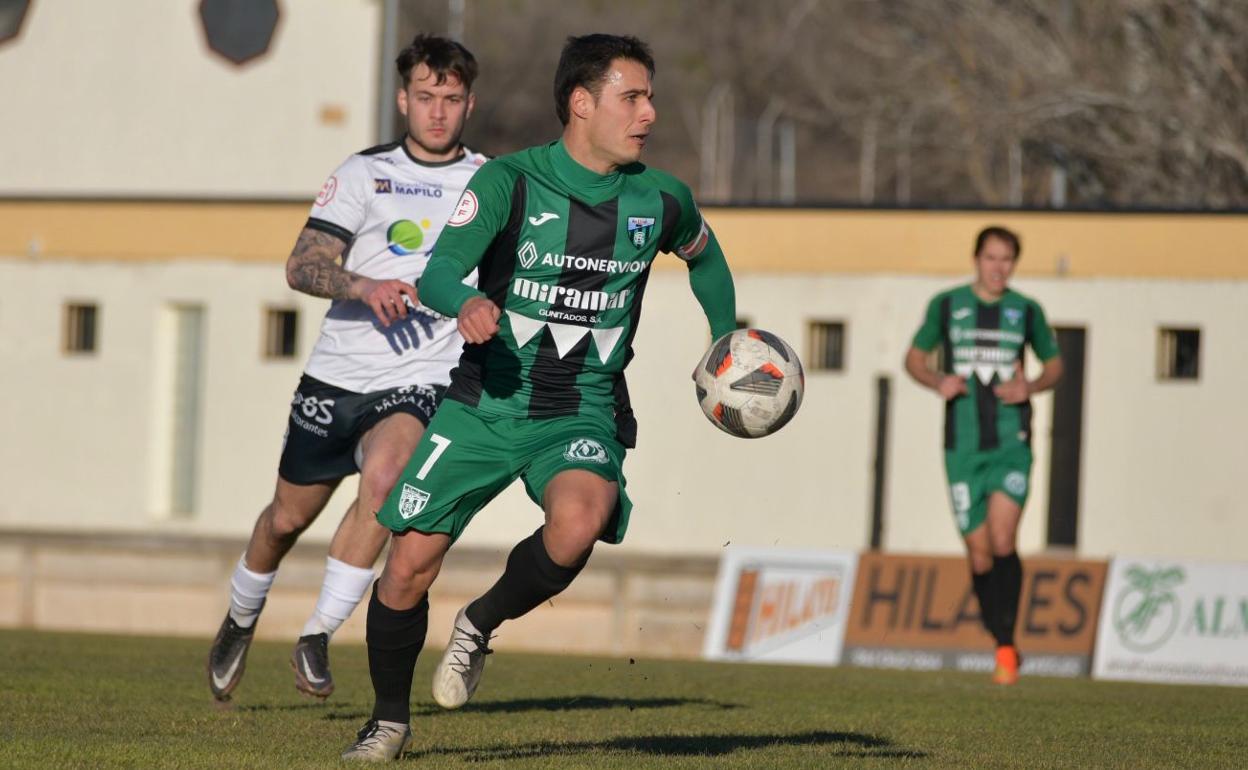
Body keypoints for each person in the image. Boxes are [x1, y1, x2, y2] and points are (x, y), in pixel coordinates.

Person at [340, 33, 737, 760]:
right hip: (487, 402)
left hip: (582, 406)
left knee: (583, 518)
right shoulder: (510, 183)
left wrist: (724, 337)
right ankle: (389, 720)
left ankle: (479, 624)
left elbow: (706, 258)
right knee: (406, 566)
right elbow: (439, 271)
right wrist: (464, 302)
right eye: (633, 96)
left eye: (650, 96)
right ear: (582, 103)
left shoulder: (660, 197)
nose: (649, 112)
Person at [206, 34, 486, 703]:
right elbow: (302, 264)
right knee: (284, 519)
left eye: (450, 99)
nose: (438, 112)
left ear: (469, 104)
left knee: (387, 482)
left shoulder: (489, 180)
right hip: (338, 377)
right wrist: (364, 286)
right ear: (403, 99)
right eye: (425, 97)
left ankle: (318, 635)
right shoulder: (363, 173)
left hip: (422, 375)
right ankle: (241, 618)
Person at [904, 225, 1063, 686]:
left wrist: (1029, 385)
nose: (999, 268)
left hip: (1011, 444)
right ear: (977, 259)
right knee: (978, 554)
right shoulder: (947, 305)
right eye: (992, 258)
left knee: (1002, 539)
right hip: (962, 445)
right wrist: (939, 381)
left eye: (1007, 260)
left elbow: (1054, 365)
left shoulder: (1026, 311)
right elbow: (914, 359)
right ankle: (1002, 638)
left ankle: (1006, 648)